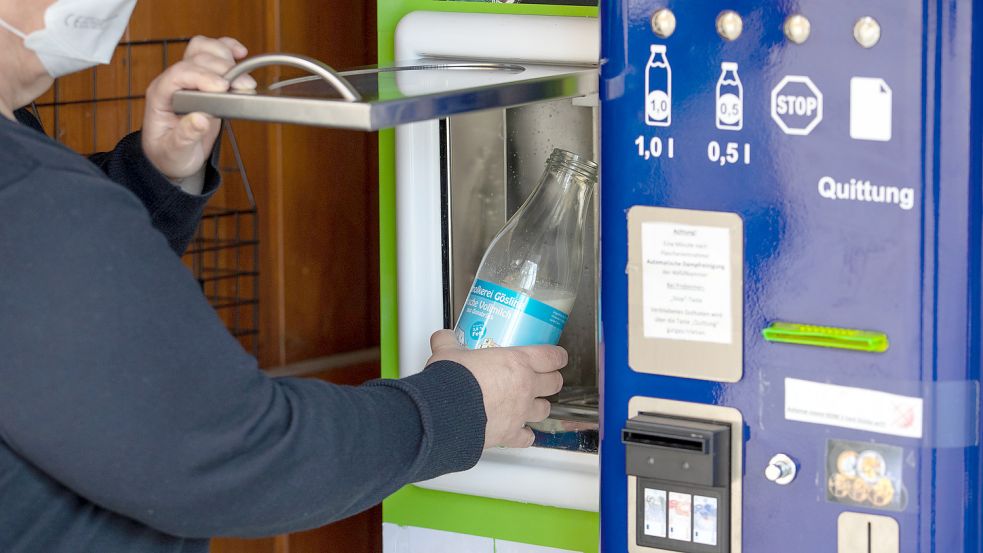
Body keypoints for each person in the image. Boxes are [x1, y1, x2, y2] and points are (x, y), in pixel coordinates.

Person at [0, 1, 566, 552]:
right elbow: (239, 459)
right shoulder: (31, 198)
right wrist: (462, 406)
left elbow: (44, 316)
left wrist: (153, 176)